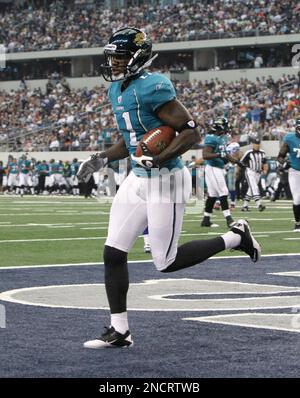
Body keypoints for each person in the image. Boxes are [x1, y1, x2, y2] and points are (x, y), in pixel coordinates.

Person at [77, 27, 261, 349]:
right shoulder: (116, 90)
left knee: (165, 262)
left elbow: (190, 132)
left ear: (137, 57)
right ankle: (120, 330)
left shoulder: (154, 86)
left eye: (120, 57)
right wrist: (101, 158)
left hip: (167, 180)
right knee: (113, 252)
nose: (114, 64)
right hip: (137, 178)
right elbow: (132, 140)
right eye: (113, 57)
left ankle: (235, 236)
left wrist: (159, 157)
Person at [200, 118, 235, 228]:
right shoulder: (211, 138)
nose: (226, 129)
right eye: (225, 126)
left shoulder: (222, 138)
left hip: (218, 168)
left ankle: (206, 220)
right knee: (223, 191)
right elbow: (205, 155)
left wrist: (237, 161)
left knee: (213, 195)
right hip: (213, 167)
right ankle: (229, 219)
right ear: (219, 127)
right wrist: (218, 155)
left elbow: (225, 154)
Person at [277, 118, 300, 231]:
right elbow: (280, 156)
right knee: (297, 198)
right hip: (295, 172)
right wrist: (285, 162)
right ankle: (297, 223)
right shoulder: (290, 138)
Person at [238, 137, 268, 212]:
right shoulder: (248, 152)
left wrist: (265, 170)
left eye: (258, 144)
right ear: (253, 144)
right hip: (250, 172)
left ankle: (245, 206)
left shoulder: (263, 152)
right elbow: (241, 162)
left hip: (258, 173)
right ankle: (259, 205)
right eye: (256, 144)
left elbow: (265, 162)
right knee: (254, 187)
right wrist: (241, 170)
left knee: (250, 190)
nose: (257, 145)